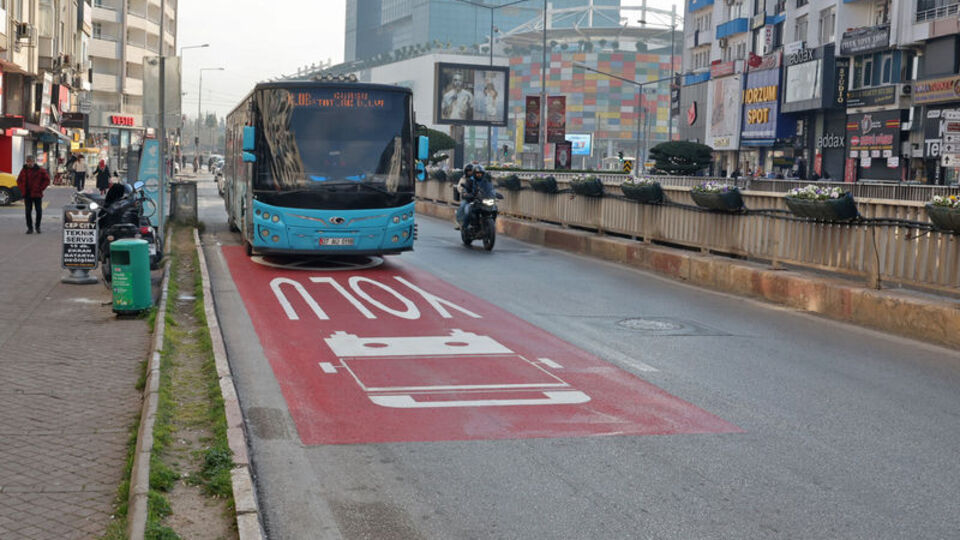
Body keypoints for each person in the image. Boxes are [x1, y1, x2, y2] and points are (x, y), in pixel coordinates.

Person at [17, 155, 51, 234]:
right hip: (27, 194)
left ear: (34, 162)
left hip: (37, 194)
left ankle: (37, 227)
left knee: (38, 211)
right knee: (28, 211)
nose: (29, 163)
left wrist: (41, 188)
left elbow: (47, 180)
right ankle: (30, 228)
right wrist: (22, 189)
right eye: (28, 161)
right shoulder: (24, 170)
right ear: (26, 162)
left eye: (31, 161)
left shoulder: (40, 170)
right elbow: (19, 180)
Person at [456, 164, 494, 230]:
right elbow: (464, 189)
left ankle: (490, 224)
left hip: (482, 200)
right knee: (466, 209)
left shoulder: (485, 181)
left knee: (494, 207)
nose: (479, 175)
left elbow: (490, 189)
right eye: (477, 173)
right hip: (471, 200)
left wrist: (494, 194)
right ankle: (462, 224)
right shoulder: (470, 180)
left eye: (480, 173)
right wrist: (465, 194)